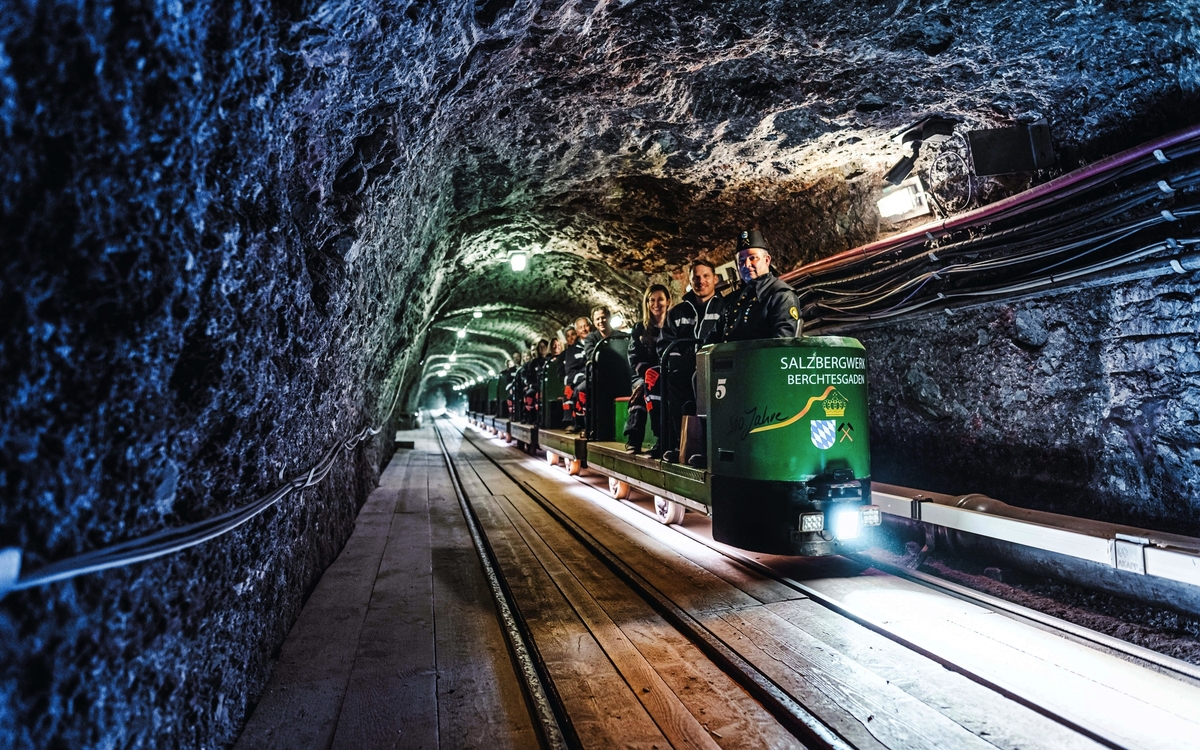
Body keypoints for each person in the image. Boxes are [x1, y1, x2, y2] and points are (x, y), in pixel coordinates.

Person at [660, 259, 726, 462]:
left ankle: (708, 449)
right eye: (696, 277)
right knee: (673, 382)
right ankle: (678, 445)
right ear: (689, 281)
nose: (701, 281)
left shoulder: (725, 308)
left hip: (716, 368)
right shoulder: (677, 313)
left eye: (706, 276)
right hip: (686, 367)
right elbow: (666, 344)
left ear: (715, 279)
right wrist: (680, 363)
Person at [709, 229, 801, 343]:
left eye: (753, 258)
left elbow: (782, 344)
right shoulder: (732, 300)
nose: (747, 265)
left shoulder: (781, 295)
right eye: (741, 261)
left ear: (767, 260)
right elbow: (713, 338)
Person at [623, 285, 671, 455]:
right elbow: (634, 356)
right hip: (644, 374)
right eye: (652, 300)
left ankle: (666, 438)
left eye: (660, 299)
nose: (656, 304)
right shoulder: (640, 328)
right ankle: (634, 438)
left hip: (667, 373)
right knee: (642, 387)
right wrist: (646, 371)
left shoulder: (673, 326)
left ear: (668, 301)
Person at [576, 307, 615, 435]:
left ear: (609, 317)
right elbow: (591, 355)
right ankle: (589, 426)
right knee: (581, 389)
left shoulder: (620, 336)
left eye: (603, 317)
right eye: (598, 319)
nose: (601, 321)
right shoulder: (591, 338)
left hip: (619, 375)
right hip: (598, 377)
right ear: (594, 321)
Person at [561, 317, 591, 431]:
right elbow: (571, 372)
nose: (584, 329)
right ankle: (582, 423)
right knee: (581, 389)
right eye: (580, 327)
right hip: (583, 380)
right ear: (577, 331)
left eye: (586, 326)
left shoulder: (599, 343)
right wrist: (586, 375)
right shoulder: (571, 351)